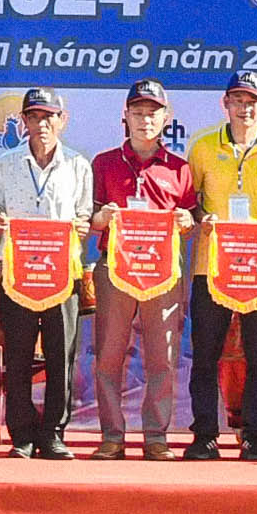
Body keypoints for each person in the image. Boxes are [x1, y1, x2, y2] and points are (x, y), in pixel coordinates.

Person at [183, 71, 257, 460]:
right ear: (225, 104)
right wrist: (201, 217)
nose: (245, 108)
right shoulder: (200, 148)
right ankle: (204, 435)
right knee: (205, 355)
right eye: (238, 100)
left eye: (253, 102)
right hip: (210, 266)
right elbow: (188, 200)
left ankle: (255, 437)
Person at [86, 79, 198, 460]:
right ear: (125, 115)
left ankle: (156, 435)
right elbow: (89, 218)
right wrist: (103, 216)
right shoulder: (103, 163)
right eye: (138, 111)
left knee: (162, 355)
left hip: (162, 272)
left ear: (166, 118)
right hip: (114, 270)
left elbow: (193, 216)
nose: (145, 119)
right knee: (108, 355)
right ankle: (112, 436)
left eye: (153, 112)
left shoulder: (181, 169)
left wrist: (186, 219)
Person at [0, 88, 95, 459]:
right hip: (18, 272)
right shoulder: (5, 164)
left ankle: (53, 432)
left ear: (62, 122)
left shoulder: (79, 164)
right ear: (24, 122)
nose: (42, 124)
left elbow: (85, 215)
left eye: (49, 117)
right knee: (17, 354)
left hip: (63, 274)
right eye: (34, 117)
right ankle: (22, 433)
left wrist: (81, 225)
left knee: (60, 354)